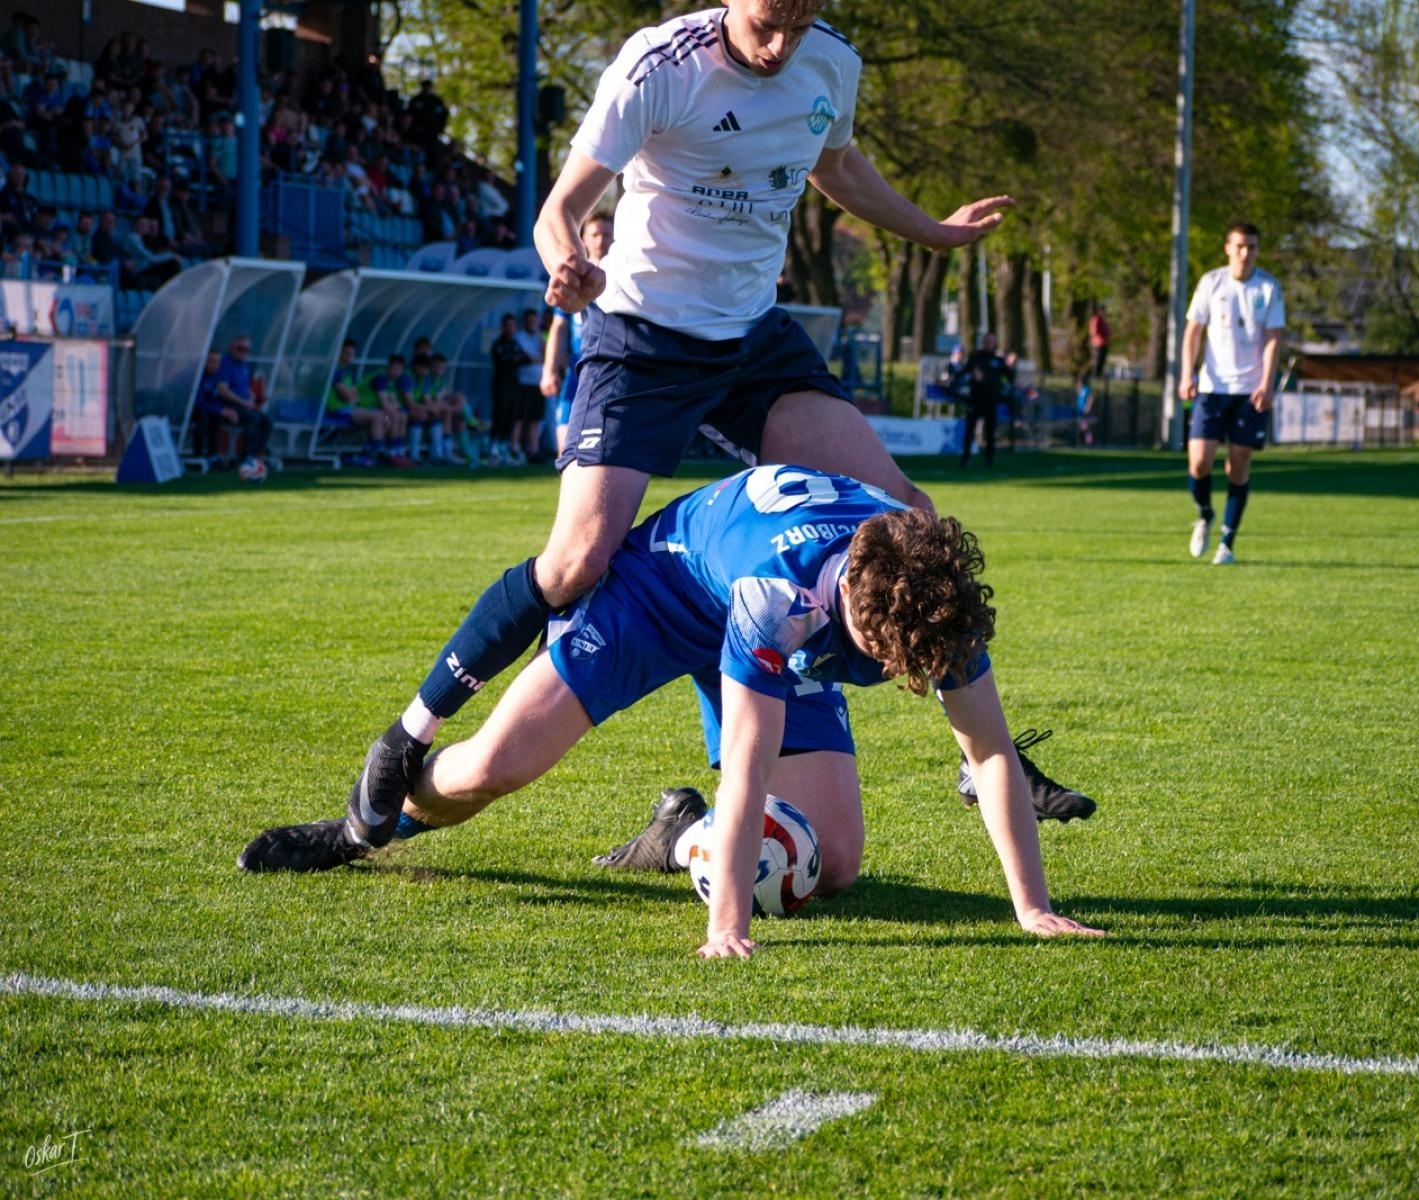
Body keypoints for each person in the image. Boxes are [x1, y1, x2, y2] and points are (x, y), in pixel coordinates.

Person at [334, 0, 1086, 863]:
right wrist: (566, 266)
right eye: (770, 21)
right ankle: (408, 735)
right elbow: (560, 206)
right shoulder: (658, 64)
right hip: (644, 338)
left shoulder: (831, 62)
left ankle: (982, 762)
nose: (780, 44)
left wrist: (933, 231)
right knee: (578, 558)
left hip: (753, 340)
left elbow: (835, 165)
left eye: (799, 27)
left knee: (907, 511)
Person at [239, 466, 1105, 956]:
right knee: (492, 769)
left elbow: (990, 752)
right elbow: (750, 771)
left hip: (768, 601)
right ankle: (363, 828)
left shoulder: (933, 597)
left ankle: (673, 833)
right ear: (857, 621)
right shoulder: (782, 600)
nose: (909, 679)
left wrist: (1028, 905)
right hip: (659, 592)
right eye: (890, 665)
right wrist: (724, 925)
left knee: (833, 862)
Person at [1178, 222, 1285, 566]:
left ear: (1257, 250)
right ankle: (1205, 515)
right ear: (1227, 248)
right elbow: (1193, 331)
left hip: (1249, 391)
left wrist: (1267, 383)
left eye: (1251, 247)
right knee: (1199, 462)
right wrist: (1186, 373)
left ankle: (1226, 542)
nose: (1245, 253)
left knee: (1238, 465)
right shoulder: (1211, 282)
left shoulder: (1268, 287)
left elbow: (1272, 338)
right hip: (1212, 388)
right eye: (1239, 246)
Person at [540, 212, 614, 458]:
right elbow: (559, 326)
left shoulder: (623, 276)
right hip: (577, 367)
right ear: (583, 238)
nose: (601, 240)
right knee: (566, 450)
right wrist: (549, 369)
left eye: (606, 234)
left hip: (610, 367)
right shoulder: (573, 276)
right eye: (595, 234)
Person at [324, 339, 394, 466]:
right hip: (337, 409)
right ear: (338, 353)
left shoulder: (347, 372)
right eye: (346, 353)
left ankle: (367, 452)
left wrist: (352, 395)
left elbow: (353, 394)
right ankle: (374, 455)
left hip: (349, 408)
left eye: (351, 354)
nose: (349, 357)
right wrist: (352, 395)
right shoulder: (335, 371)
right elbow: (347, 396)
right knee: (379, 417)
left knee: (387, 418)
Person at [211, 335, 273, 474]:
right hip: (230, 405)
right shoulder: (225, 364)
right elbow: (223, 390)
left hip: (244, 405)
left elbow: (245, 387)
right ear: (231, 348)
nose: (243, 352)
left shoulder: (244, 365)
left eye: (246, 349)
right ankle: (246, 457)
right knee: (253, 419)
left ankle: (258, 455)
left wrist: (252, 399)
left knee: (267, 421)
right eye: (240, 348)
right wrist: (243, 402)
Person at [955, 331, 1012, 469]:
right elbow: (963, 372)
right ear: (984, 342)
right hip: (975, 400)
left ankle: (989, 460)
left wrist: (1010, 366)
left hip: (991, 401)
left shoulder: (998, 360)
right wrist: (951, 379)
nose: (990, 343)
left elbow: (1010, 377)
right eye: (988, 340)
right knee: (970, 432)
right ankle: (966, 459)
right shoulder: (975, 358)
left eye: (992, 341)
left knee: (990, 432)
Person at [488, 313, 531, 467]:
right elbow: (505, 360)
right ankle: (493, 449)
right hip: (501, 385)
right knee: (499, 416)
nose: (510, 329)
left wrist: (515, 358)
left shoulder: (515, 344)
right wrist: (515, 359)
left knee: (511, 417)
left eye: (512, 326)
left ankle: (504, 448)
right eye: (508, 325)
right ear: (503, 327)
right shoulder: (498, 344)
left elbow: (526, 359)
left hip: (514, 385)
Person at [512, 307, 544, 464]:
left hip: (539, 383)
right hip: (523, 383)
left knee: (535, 419)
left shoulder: (541, 337)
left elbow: (546, 356)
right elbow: (528, 358)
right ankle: (515, 449)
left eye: (534, 320)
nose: (533, 323)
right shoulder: (519, 337)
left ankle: (534, 451)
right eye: (530, 320)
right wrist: (542, 359)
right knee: (519, 417)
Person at [1089, 304, 1110, 379]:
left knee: (1102, 361)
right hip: (1098, 343)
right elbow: (1094, 331)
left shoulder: (1102, 320)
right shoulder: (1096, 319)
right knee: (1098, 360)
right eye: (1103, 310)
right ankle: (1095, 376)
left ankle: (1099, 375)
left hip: (1104, 343)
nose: (1104, 312)